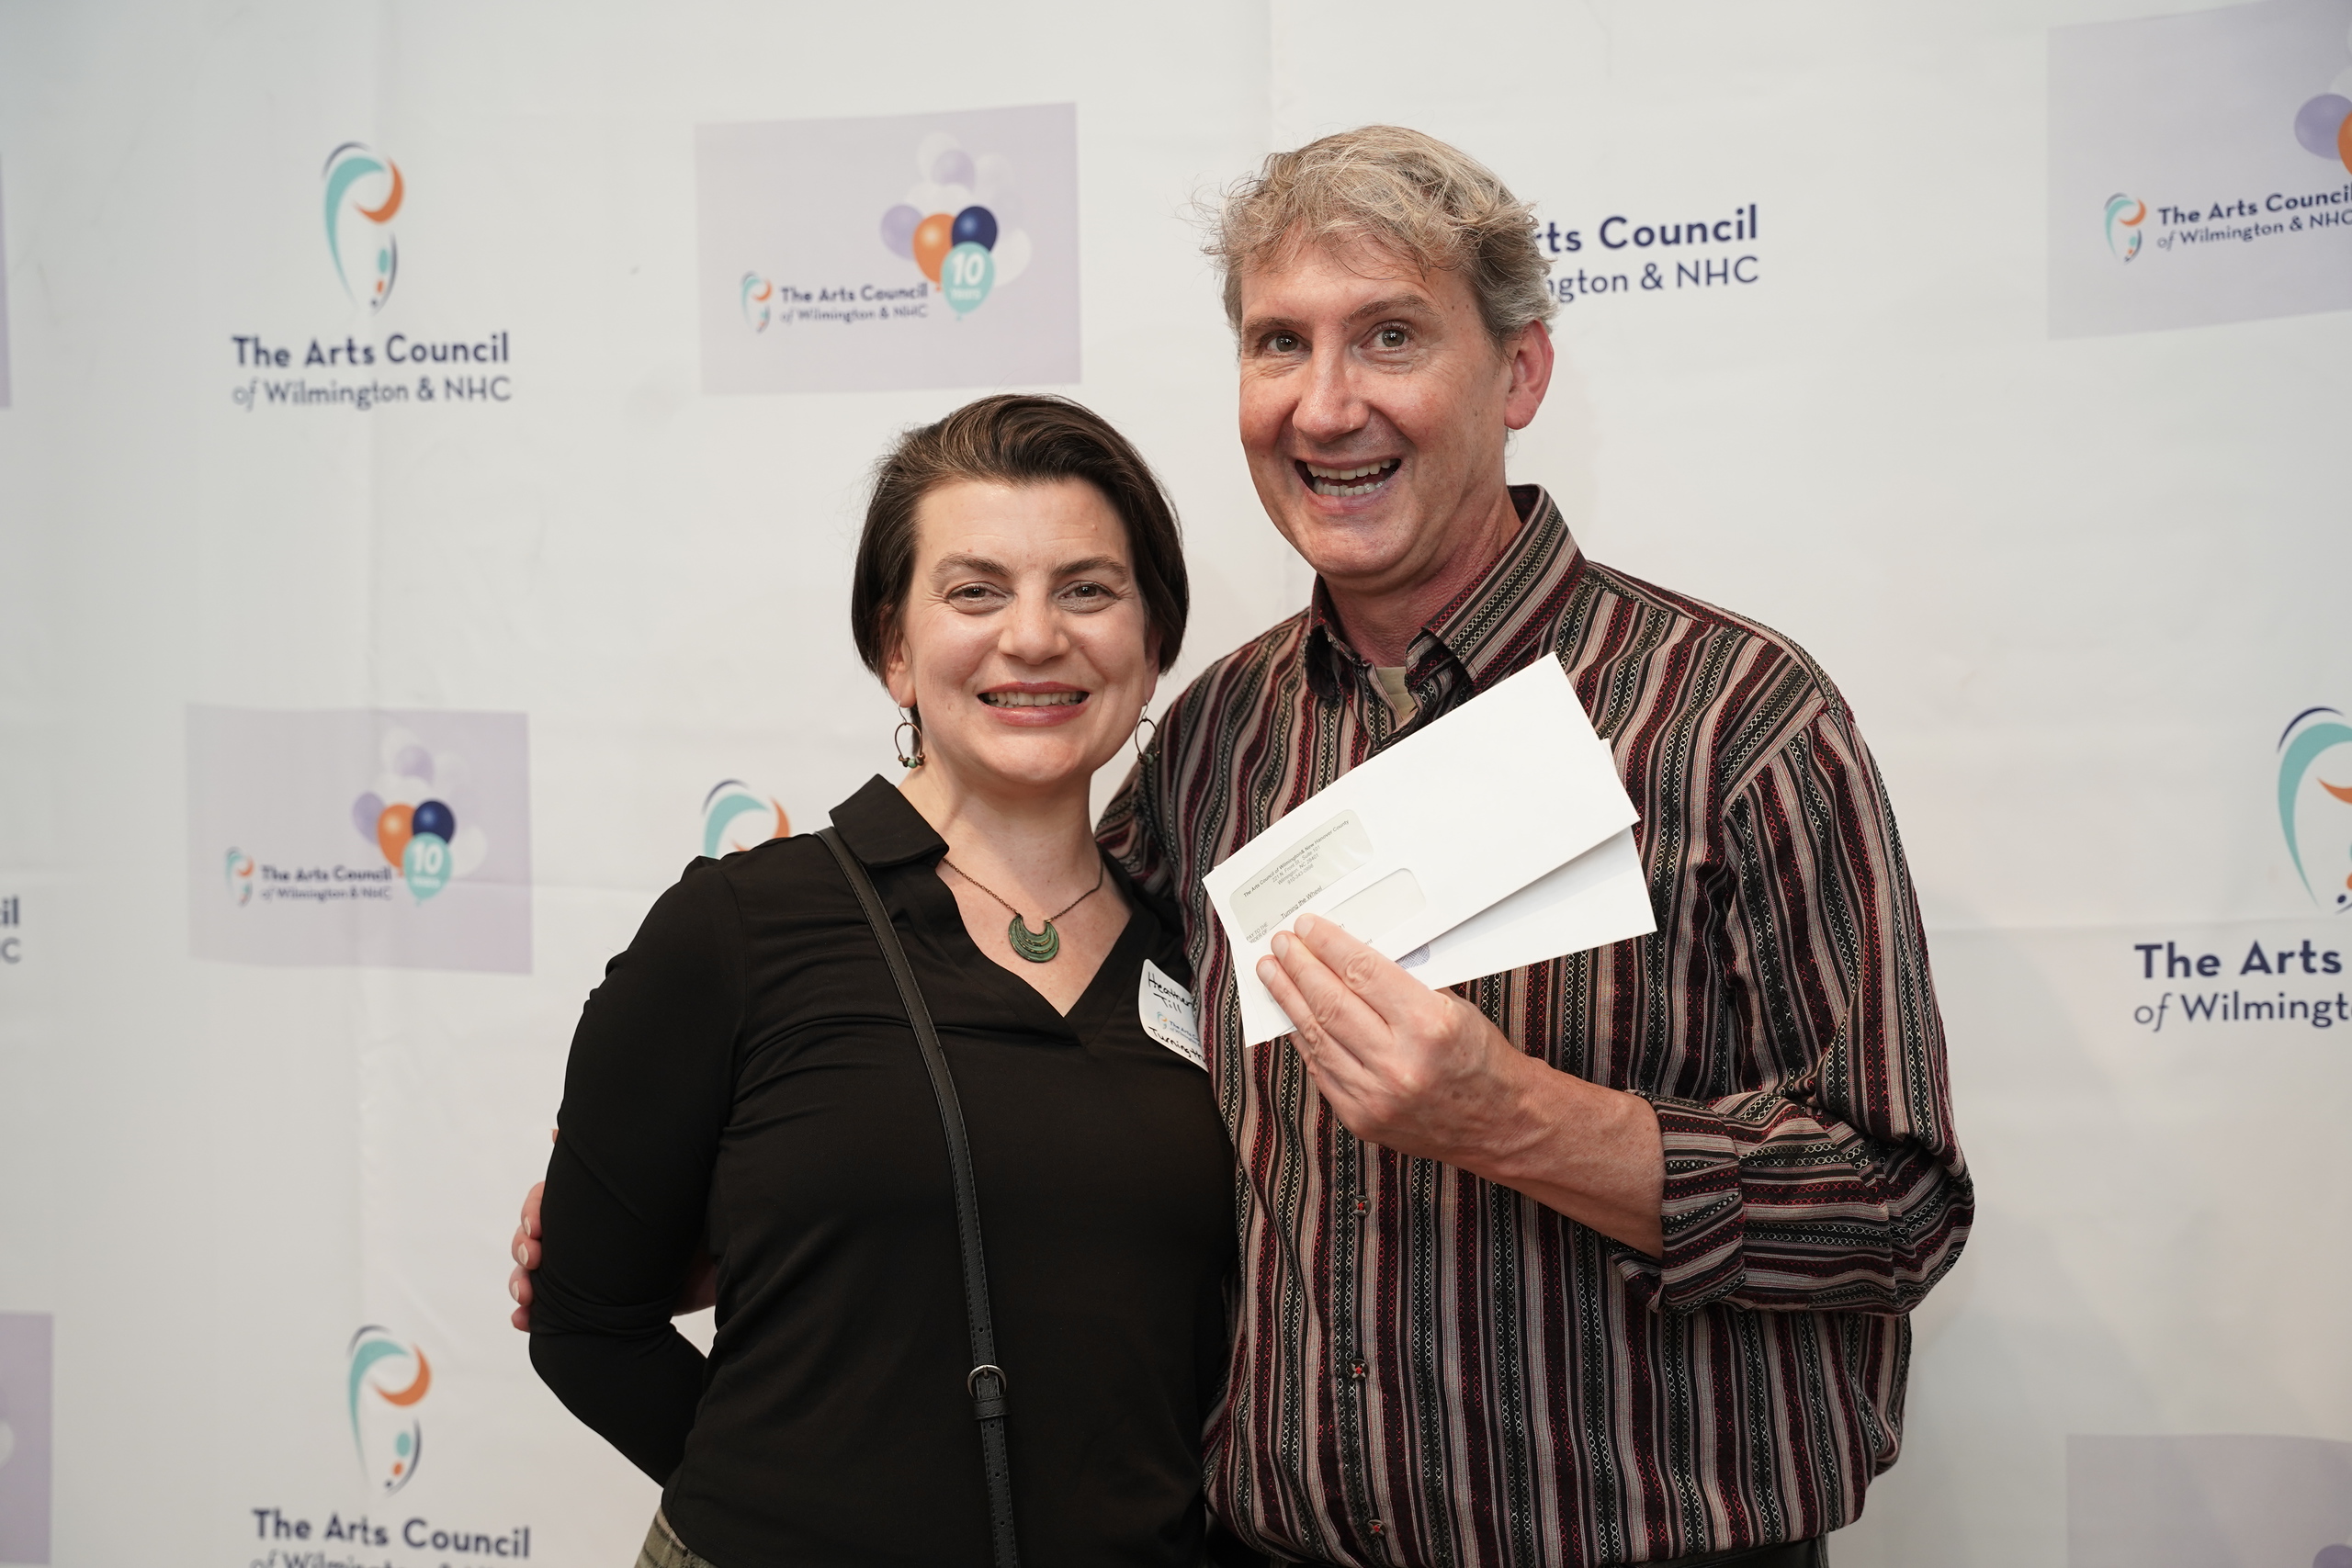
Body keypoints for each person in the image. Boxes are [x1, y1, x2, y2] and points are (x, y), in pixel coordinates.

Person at [518, 127, 1972, 1568]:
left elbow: (1902, 1205)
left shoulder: (1729, 716)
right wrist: (758, 1204)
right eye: (1281, 343)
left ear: (1520, 373)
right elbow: (1059, 1076)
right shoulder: (1214, 743)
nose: (1327, 405)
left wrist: (1516, 1117)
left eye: (1391, 335)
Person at [523, 394, 1237, 1568]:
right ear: (894, 649)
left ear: (1154, 642)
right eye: (975, 592)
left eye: (1086, 590)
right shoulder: (740, 930)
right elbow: (583, 1324)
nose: (1033, 637)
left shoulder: (1205, 960)